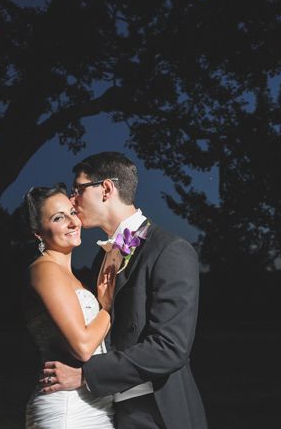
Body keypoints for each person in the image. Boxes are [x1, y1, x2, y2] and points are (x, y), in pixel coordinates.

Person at [39, 152, 208, 429]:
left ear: (106, 189)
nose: (72, 200)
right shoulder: (101, 257)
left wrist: (85, 376)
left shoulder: (169, 250)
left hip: (156, 412)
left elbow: (170, 348)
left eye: (78, 190)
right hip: (109, 411)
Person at [22, 183, 116, 428]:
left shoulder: (72, 277)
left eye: (72, 212)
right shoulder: (45, 270)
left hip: (93, 405)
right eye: (58, 218)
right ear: (38, 233)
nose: (73, 222)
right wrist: (106, 307)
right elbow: (83, 347)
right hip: (68, 410)